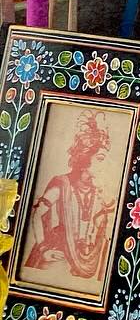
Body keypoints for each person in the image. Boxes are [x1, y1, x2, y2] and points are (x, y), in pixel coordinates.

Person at [23, 112, 116, 287]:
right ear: (85, 157)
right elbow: (37, 213)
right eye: (100, 159)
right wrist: (43, 249)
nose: (104, 164)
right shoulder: (62, 183)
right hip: (58, 253)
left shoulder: (98, 191)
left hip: (87, 259)